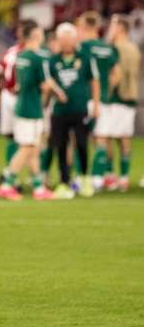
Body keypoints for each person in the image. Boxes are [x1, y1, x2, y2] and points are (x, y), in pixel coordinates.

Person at [0, 21, 55, 201]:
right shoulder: (39, 57)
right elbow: (46, 85)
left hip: (23, 105)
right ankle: (7, 183)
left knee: (34, 148)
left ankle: (38, 187)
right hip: (32, 107)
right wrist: (58, 95)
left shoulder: (21, 56)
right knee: (27, 147)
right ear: (36, 35)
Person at [48, 23, 99, 199]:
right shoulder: (53, 61)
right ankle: (64, 182)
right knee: (61, 146)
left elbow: (94, 81)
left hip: (80, 109)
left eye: (69, 39)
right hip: (59, 111)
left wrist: (96, 104)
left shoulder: (85, 57)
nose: (66, 43)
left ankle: (84, 177)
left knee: (82, 144)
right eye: (63, 40)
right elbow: (49, 83)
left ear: (75, 40)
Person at [79, 12, 120, 190]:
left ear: (87, 26)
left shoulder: (82, 47)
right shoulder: (107, 48)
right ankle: (100, 177)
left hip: (84, 97)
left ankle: (83, 178)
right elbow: (117, 74)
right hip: (103, 99)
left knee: (79, 138)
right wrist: (105, 90)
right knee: (102, 138)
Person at [103, 14, 140, 191]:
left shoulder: (114, 48)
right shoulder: (135, 48)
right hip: (131, 96)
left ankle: (111, 176)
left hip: (115, 97)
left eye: (113, 26)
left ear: (120, 29)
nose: (110, 29)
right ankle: (124, 177)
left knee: (107, 136)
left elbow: (115, 75)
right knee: (124, 138)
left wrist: (105, 91)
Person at [0, 22, 25, 185]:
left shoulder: (34, 53)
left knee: (29, 139)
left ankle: (40, 175)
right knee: (11, 136)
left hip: (26, 98)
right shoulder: (10, 52)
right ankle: (10, 172)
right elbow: (0, 71)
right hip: (8, 95)